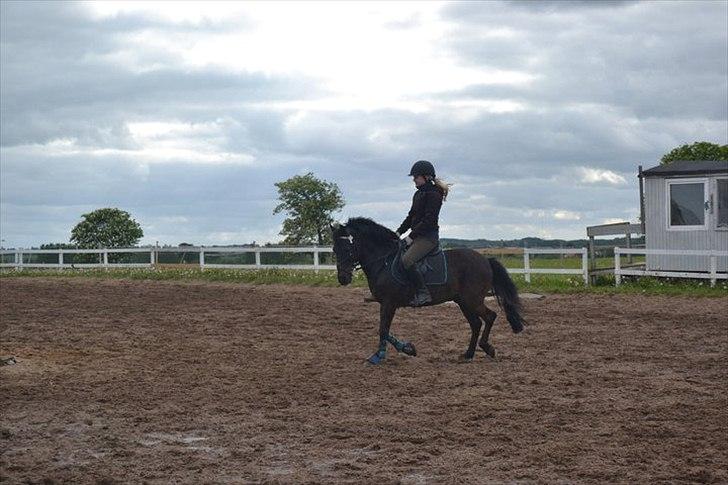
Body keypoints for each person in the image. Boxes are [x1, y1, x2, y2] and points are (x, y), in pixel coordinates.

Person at [396, 160, 450, 306]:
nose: (414, 179)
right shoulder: (418, 194)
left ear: (426, 177)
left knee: (406, 261)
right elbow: (410, 216)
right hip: (417, 236)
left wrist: (410, 237)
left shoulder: (434, 195)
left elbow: (428, 221)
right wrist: (398, 232)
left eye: (416, 176)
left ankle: (423, 293)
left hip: (427, 238)